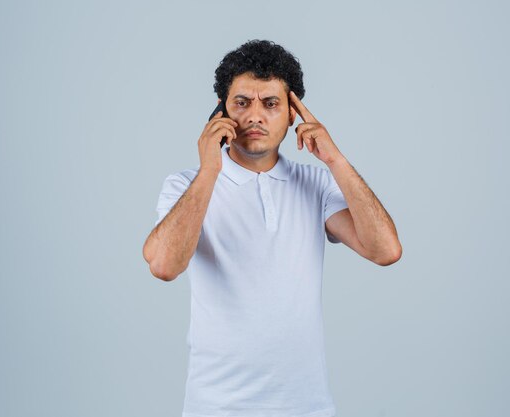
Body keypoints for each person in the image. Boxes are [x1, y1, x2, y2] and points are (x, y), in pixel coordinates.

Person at [142, 39, 402, 417]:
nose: (255, 116)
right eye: (242, 102)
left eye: (271, 103)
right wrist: (210, 169)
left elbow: (386, 251)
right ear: (221, 110)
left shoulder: (316, 185)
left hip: (308, 408)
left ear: (293, 113)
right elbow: (164, 265)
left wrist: (335, 158)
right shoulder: (186, 186)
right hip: (216, 408)